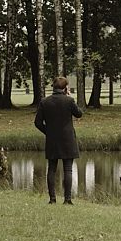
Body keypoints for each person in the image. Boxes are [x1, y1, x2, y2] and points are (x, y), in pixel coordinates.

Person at [34, 76, 83, 204]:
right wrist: (71, 97)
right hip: (68, 139)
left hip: (52, 140)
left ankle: (52, 199)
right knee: (68, 169)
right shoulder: (69, 101)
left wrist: (49, 132)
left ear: (54, 87)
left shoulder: (45, 102)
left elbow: (37, 123)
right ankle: (67, 200)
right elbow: (79, 114)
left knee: (51, 169)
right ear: (65, 87)